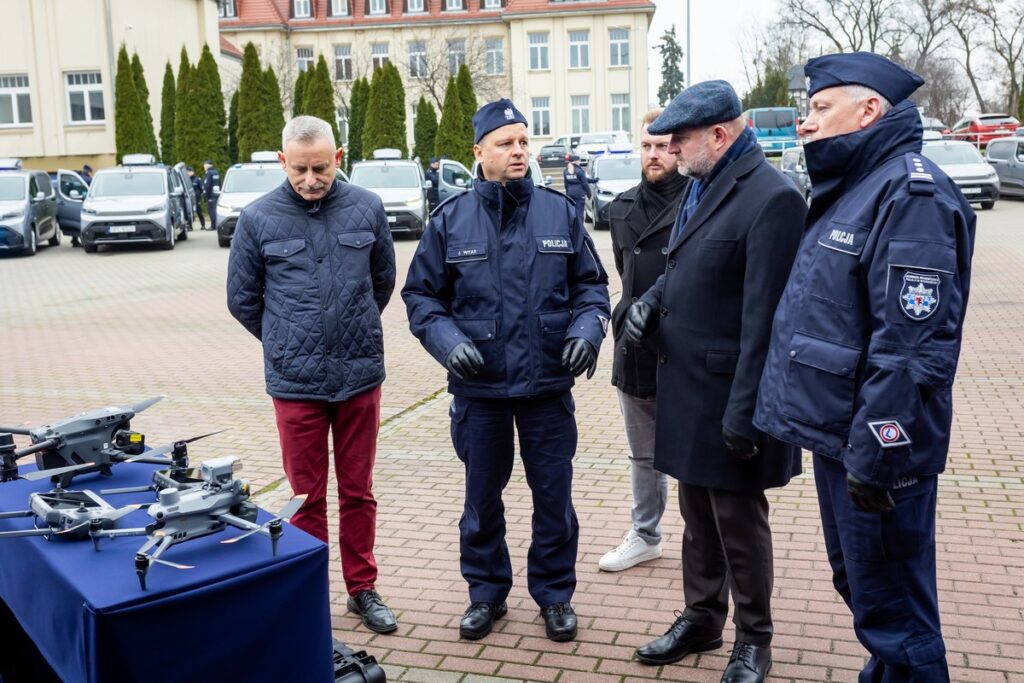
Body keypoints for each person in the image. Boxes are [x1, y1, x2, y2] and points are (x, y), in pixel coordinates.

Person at [754, 52, 975, 683]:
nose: (805, 121)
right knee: (866, 590)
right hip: (843, 437)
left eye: (821, 107)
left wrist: (879, 451)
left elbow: (910, 348)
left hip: (876, 448)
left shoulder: (909, 195)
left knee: (896, 614)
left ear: (868, 110)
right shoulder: (859, 186)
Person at [402, 99, 610, 644]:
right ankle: (486, 592)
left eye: (523, 141)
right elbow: (421, 297)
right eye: (505, 143)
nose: (519, 151)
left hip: (547, 387)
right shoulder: (450, 219)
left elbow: (592, 286)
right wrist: (448, 343)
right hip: (481, 391)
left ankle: (555, 594)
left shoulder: (560, 211)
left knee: (553, 497)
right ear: (479, 151)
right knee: (480, 500)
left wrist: (587, 332)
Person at [623, 80, 807, 683]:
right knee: (697, 515)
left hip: (733, 396)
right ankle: (703, 617)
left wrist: (746, 412)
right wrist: (651, 300)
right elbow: (686, 263)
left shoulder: (773, 199)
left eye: (680, 139)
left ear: (721, 135)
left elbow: (768, 319)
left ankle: (755, 639)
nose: (671, 150)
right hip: (689, 388)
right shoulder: (703, 183)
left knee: (738, 524)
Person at [227, 115, 399, 635]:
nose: (310, 179)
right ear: (283, 161)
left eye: (320, 168)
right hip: (294, 383)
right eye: (299, 169)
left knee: (358, 491)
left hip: (359, 376)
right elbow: (242, 299)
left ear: (338, 158)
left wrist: (349, 329)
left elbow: (382, 281)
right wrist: (286, 339)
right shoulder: (257, 219)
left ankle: (362, 588)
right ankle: (310, 596)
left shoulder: (367, 207)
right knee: (306, 496)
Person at [599, 108, 688, 573]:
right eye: (647, 146)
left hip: (685, 344)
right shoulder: (621, 208)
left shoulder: (700, 202)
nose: (654, 155)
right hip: (634, 345)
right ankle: (646, 533)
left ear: (679, 148)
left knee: (693, 450)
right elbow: (626, 274)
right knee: (643, 454)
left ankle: (704, 538)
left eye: (664, 146)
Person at [562, 154, 596, 226]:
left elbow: (566, 184)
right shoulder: (580, 171)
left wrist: (593, 180)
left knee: (572, 212)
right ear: (576, 161)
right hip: (579, 195)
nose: (579, 162)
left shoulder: (566, 171)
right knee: (579, 213)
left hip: (570, 194)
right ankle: (580, 229)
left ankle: (573, 227)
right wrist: (589, 194)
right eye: (579, 160)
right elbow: (585, 183)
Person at [186, 166, 205, 231]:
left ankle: (203, 225)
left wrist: (198, 195)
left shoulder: (197, 179)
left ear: (192, 172)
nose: (188, 173)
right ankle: (190, 226)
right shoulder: (187, 180)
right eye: (187, 172)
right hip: (190, 199)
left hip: (197, 199)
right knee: (190, 213)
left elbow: (202, 189)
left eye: (189, 172)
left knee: (199, 212)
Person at [203, 159, 220, 230]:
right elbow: (219, 183)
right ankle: (216, 224)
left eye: (204, 166)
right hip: (217, 194)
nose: (204, 167)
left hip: (211, 195)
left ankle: (213, 225)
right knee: (215, 210)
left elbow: (208, 185)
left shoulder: (209, 173)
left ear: (207, 166)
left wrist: (206, 195)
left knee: (211, 211)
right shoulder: (216, 172)